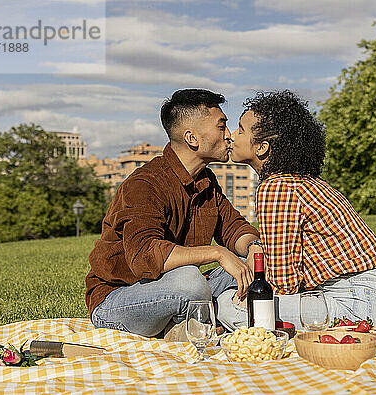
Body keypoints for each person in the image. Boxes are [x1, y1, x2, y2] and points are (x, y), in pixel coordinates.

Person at [85, 89, 263, 338]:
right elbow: (144, 255)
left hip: (177, 290)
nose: (230, 135)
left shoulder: (206, 181)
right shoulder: (145, 183)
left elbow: (234, 227)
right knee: (189, 281)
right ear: (192, 138)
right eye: (222, 126)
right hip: (120, 299)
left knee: (252, 265)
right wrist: (216, 252)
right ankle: (205, 321)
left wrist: (254, 246)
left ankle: (193, 324)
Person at [217, 90, 376, 330]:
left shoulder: (276, 188)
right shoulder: (300, 181)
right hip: (372, 298)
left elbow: (284, 283)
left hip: (356, 306)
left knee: (227, 305)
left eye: (240, 129)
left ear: (261, 148)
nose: (232, 136)